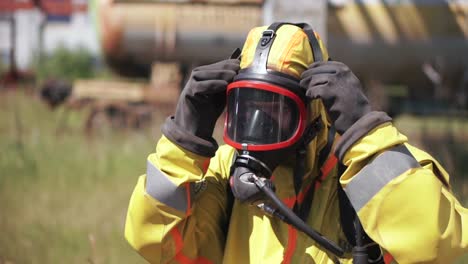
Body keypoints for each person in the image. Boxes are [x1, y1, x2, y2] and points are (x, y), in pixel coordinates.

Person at [124, 23, 468, 263]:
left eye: (274, 112)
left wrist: (366, 132)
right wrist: (183, 143)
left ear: (312, 113)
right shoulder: (224, 175)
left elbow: (435, 244)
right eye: (247, 111)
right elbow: (153, 242)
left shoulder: (377, 172)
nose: (257, 128)